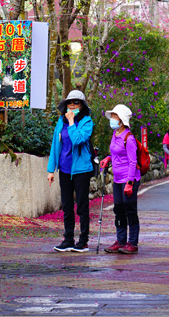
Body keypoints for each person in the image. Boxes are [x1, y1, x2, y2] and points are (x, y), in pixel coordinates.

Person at [47, 89, 94, 253]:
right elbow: (55, 145)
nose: (72, 105)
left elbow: (77, 140)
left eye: (76, 102)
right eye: (70, 102)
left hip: (81, 170)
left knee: (82, 206)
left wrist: (72, 122)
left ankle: (83, 241)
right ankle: (68, 239)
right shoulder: (61, 121)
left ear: (82, 106)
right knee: (67, 206)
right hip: (65, 170)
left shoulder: (87, 122)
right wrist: (51, 170)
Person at [99, 103, 141, 254]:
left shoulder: (128, 138)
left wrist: (129, 183)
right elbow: (116, 153)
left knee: (130, 209)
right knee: (119, 210)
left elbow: (132, 162)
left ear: (122, 119)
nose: (112, 118)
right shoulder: (115, 134)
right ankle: (121, 240)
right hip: (117, 179)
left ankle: (133, 243)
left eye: (115, 116)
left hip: (129, 179)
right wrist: (108, 158)